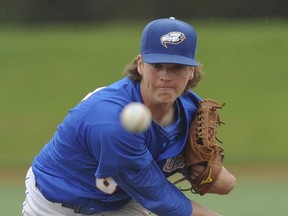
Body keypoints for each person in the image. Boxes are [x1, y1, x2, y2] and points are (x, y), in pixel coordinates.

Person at [22, 17, 236, 216]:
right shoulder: (110, 119)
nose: (165, 76)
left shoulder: (190, 110)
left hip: (121, 201)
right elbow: (159, 198)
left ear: (191, 71)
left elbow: (222, 181)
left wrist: (212, 175)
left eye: (177, 67)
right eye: (157, 65)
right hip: (57, 201)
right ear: (141, 64)